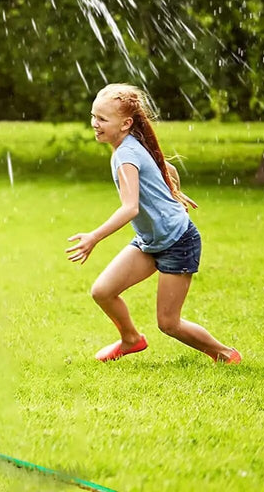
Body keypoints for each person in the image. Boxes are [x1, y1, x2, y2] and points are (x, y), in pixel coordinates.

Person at [66, 83, 241, 364]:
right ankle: (131, 339)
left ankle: (225, 355)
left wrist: (94, 237)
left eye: (102, 119)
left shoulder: (126, 154)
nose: (94, 124)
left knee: (169, 323)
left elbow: (130, 208)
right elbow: (166, 167)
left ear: (125, 124)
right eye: (93, 116)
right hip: (150, 242)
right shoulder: (131, 144)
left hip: (177, 241)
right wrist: (172, 191)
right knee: (103, 291)